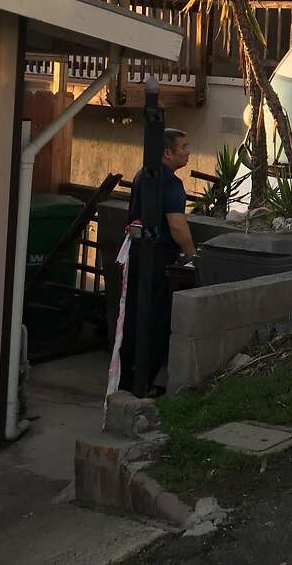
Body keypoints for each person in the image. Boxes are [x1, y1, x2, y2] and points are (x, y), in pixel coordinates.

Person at [120, 128, 196, 394]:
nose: (188, 152)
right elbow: (177, 227)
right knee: (156, 321)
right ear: (167, 153)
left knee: (133, 318)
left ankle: (128, 380)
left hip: (137, 253)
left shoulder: (143, 176)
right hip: (158, 258)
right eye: (184, 147)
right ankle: (146, 383)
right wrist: (192, 256)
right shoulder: (171, 184)